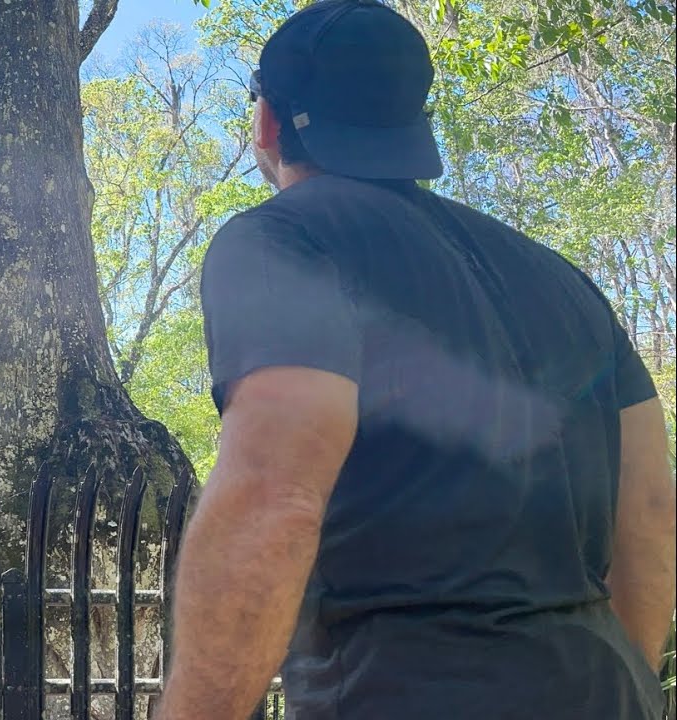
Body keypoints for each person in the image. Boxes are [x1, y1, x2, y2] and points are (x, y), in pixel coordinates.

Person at [155, 1, 676, 718]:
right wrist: (634, 687)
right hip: (604, 686)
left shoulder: (281, 241)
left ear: (268, 122)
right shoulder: (563, 280)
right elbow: (648, 512)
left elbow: (272, 501)